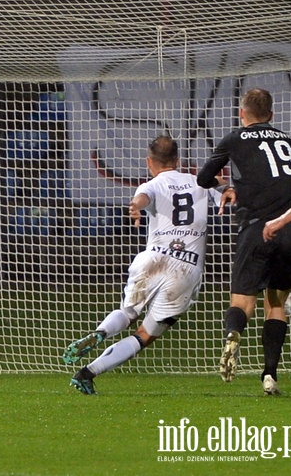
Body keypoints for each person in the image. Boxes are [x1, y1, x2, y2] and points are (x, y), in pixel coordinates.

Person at [64, 135, 223, 394]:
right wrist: (227, 188)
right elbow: (228, 192)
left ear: (150, 162)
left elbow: (142, 196)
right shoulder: (200, 182)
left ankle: (101, 332)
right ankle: (88, 372)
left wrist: (136, 207)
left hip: (152, 259)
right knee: (145, 335)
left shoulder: (153, 184)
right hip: (186, 268)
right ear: (178, 160)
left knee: (127, 313)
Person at [197, 87, 291, 396]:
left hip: (257, 228)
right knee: (276, 303)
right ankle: (270, 375)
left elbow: (203, 178)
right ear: (272, 115)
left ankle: (233, 333)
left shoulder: (233, 138)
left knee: (243, 302)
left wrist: (227, 186)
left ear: (241, 113)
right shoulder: (288, 141)